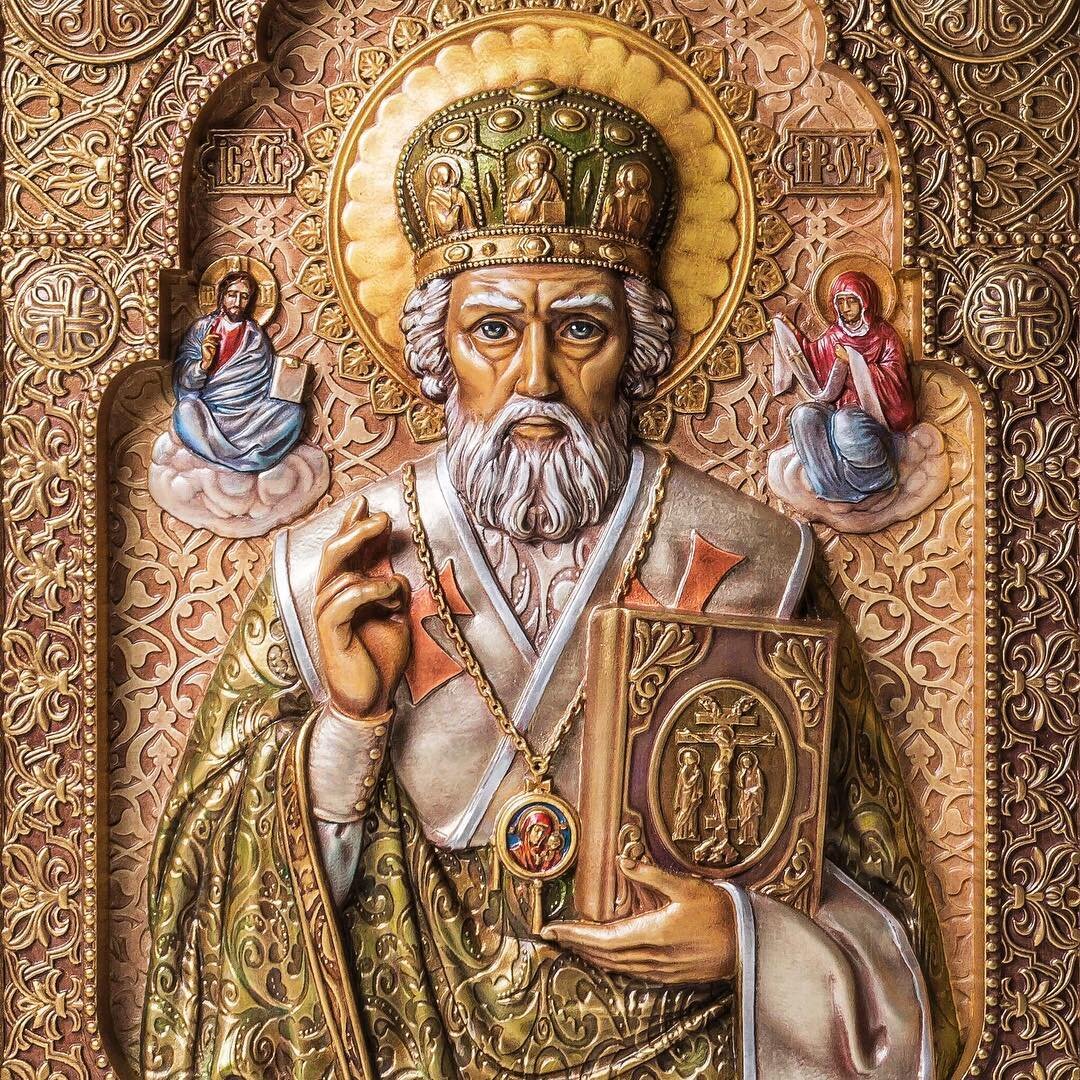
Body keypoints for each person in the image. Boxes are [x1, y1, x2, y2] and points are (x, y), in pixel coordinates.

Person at [144, 85, 959, 1080]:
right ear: (437, 352)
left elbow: (890, 909)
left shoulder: (761, 560)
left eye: (579, 331)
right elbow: (197, 906)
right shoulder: (331, 568)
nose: (535, 376)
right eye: (493, 331)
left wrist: (750, 943)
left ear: (638, 349)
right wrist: (348, 730)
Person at [782, 270, 916, 502]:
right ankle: (831, 487)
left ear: (865, 302)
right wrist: (790, 333)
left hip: (875, 418)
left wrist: (853, 361)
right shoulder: (834, 335)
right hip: (837, 409)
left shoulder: (884, 335)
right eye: (840, 302)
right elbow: (812, 361)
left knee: (845, 422)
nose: (845, 308)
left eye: (851, 301)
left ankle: (876, 481)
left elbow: (896, 381)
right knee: (804, 416)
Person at [171, 269, 304, 472]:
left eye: (244, 297)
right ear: (222, 296)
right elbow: (183, 380)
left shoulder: (256, 336)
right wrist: (203, 364)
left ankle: (242, 457)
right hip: (210, 410)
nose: (237, 302)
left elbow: (264, 382)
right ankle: (230, 458)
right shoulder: (201, 329)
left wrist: (288, 373)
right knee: (185, 410)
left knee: (294, 412)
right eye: (232, 295)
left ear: (250, 301)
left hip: (249, 412)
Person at [672, 748, 705, 841]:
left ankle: (690, 833)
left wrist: (698, 775)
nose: (692, 760)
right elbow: (686, 784)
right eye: (690, 758)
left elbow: (699, 783)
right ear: (686, 760)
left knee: (692, 814)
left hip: (692, 795)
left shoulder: (694, 769)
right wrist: (695, 776)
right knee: (685, 812)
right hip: (686, 795)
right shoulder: (684, 771)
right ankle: (678, 831)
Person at [734, 752, 765, 847]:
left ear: (751, 762)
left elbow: (760, 786)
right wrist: (742, 775)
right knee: (743, 817)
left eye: (747, 762)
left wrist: (751, 790)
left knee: (753, 819)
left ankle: (754, 837)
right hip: (745, 798)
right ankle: (743, 837)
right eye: (744, 763)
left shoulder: (757, 772)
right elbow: (740, 786)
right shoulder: (742, 773)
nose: (746, 764)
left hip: (754, 798)